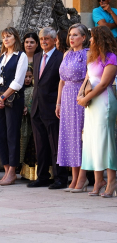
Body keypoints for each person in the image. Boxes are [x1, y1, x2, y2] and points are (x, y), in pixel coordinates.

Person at [78, 26, 117, 198]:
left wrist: (86, 99)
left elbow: (103, 84)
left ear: (100, 38)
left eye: (93, 37)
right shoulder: (92, 57)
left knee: (105, 140)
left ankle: (111, 182)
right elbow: (88, 79)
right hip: (91, 103)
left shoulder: (112, 57)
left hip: (104, 102)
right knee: (92, 140)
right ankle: (98, 181)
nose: (90, 40)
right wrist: (80, 95)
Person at [28, 27, 68, 189]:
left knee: (55, 145)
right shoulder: (37, 57)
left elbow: (62, 83)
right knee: (40, 145)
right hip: (36, 108)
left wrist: (59, 104)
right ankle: (42, 176)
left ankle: (60, 178)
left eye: (47, 39)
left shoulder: (60, 57)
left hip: (52, 108)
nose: (43, 41)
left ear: (53, 40)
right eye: (41, 39)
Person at [0, 27, 28, 186]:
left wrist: (3, 97)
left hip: (12, 98)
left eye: (9, 36)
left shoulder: (21, 56)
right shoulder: (0, 56)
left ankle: (12, 171)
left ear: (15, 38)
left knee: (12, 134)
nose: (5, 39)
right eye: (4, 37)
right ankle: (6, 170)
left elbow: (18, 81)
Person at [55, 24, 90, 192]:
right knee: (69, 137)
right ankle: (74, 177)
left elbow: (90, 78)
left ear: (84, 37)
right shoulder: (66, 54)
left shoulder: (88, 54)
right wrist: (58, 102)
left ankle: (82, 178)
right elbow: (61, 81)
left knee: (79, 137)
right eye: (70, 34)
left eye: (75, 35)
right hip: (66, 96)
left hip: (80, 96)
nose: (71, 37)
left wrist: (83, 95)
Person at [19, 66, 36, 180]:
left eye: (30, 77)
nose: (27, 79)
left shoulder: (33, 89)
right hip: (19, 121)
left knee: (26, 143)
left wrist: (28, 109)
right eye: (25, 77)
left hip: (29, 122)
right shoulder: (18, 89)